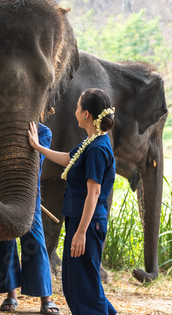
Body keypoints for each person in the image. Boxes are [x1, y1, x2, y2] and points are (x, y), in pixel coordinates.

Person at [28, 88, 118, 315]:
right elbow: (68, 158)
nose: (75, 111)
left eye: (77, 107)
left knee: (84, 284)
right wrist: (38, 148)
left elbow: (94, 194)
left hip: (87, 224)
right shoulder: (91, 142)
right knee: (76, 281)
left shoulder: (97, 149)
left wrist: (80, 233)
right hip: (79, 220)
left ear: (86, 114)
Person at [0, 123, 60, 315]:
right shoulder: (2, 126)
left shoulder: (43, 131)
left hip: (28, 196)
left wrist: (34, 145)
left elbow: (34, 166)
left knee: (35, 241)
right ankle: (11, 295)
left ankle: (46, 298)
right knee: (6, 239)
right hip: (2, 190)